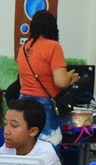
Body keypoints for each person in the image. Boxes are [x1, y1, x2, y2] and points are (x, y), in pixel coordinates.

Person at [16, 9, 79, 148]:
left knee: (26, 149)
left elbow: (22, 82)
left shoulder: (23, 48)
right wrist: (69, 76)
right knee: (48, 150)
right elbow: (61, 81)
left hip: (23, 104)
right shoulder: (53, 46)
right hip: (44, 107)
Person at [0, 98, 61, 165]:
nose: (6, 131)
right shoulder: (10, 146)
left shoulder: (45, 156)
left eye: (14, 125)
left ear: (33, 131)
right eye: (5, 124)